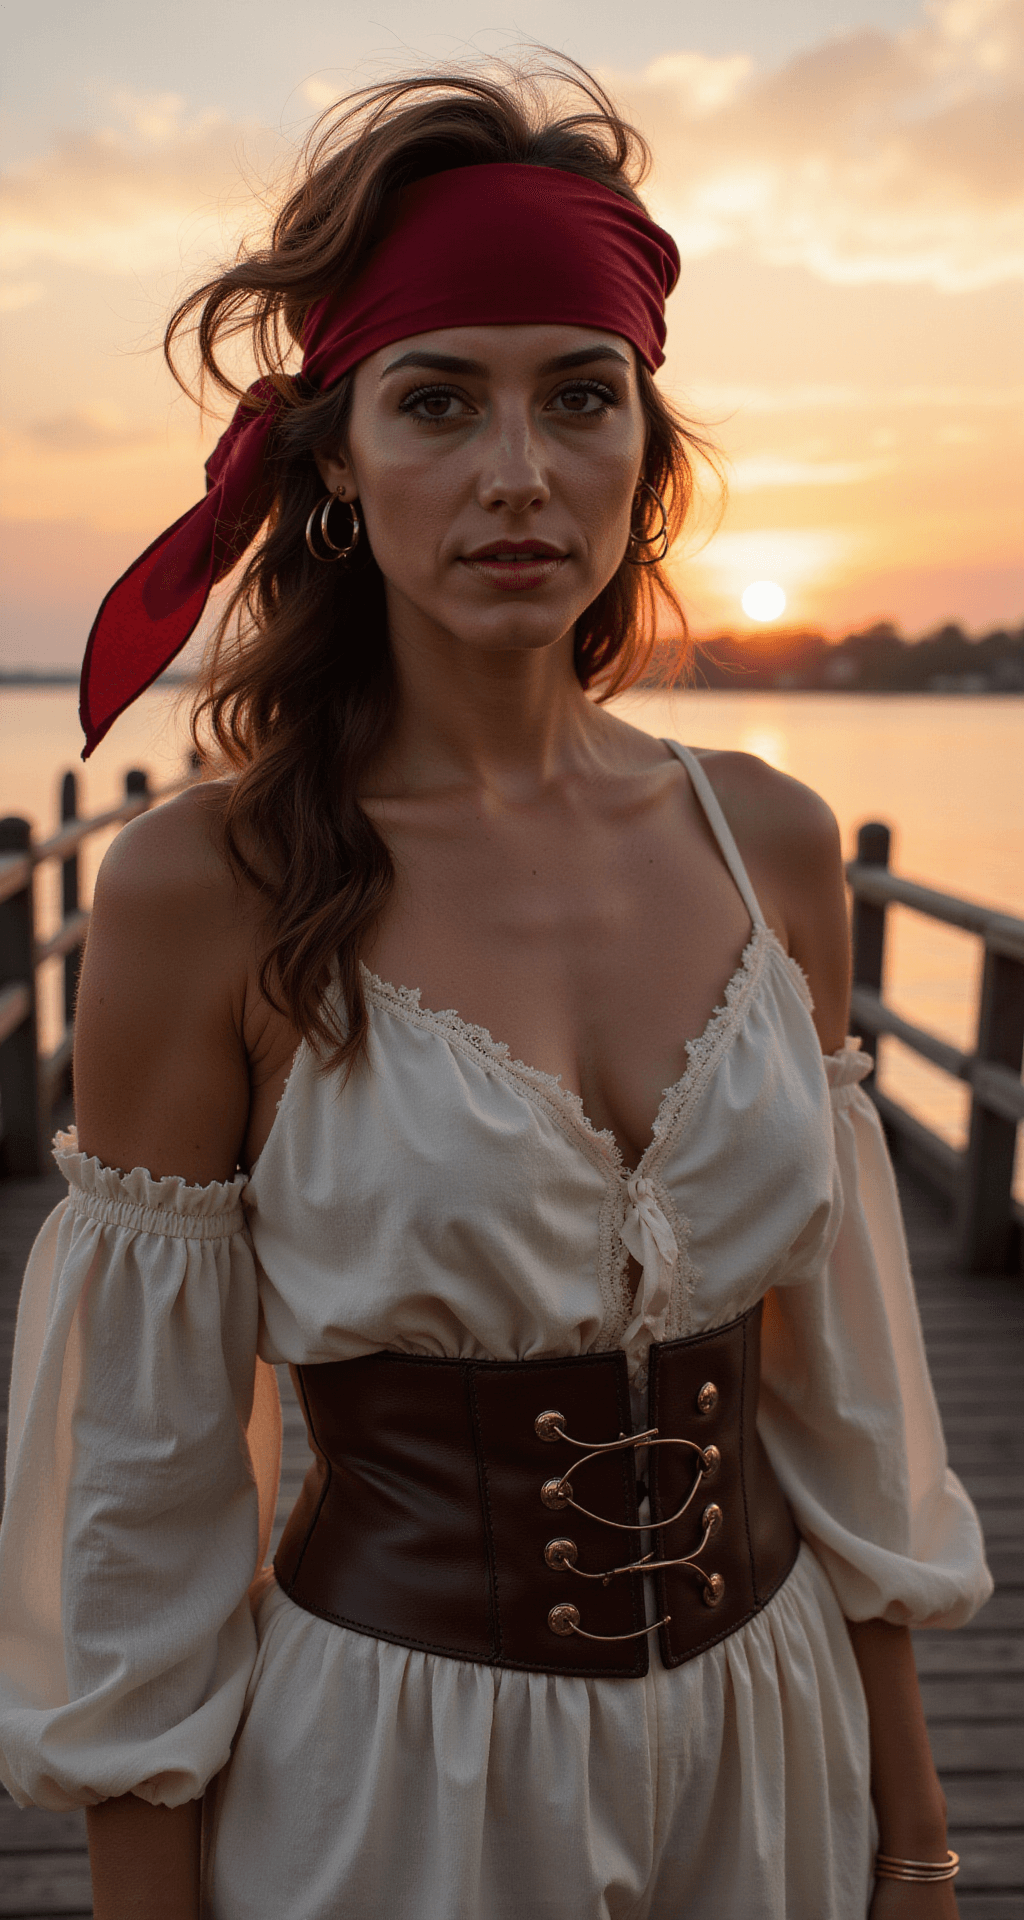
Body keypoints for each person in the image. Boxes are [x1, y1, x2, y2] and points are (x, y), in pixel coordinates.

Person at [0, 60, 991, 1920]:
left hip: (769, 1747)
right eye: (439, 402)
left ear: (649, 449)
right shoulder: (206, 887)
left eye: (581, 398)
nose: (518, 474)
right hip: (395, 1772)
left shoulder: (768, 845)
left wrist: (919, 1839)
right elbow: (143, 1486)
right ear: (335, 457)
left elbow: (838, 1398)